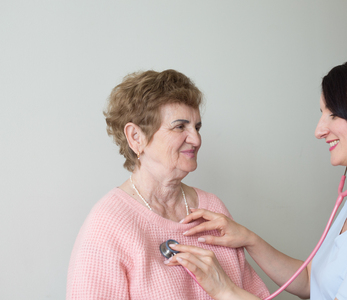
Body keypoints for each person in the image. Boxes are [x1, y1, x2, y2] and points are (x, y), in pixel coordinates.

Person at [166, 54, 347, 300]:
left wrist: (224, 290)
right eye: (321, 114)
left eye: (333, 114)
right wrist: (248, 239)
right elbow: (312, 281)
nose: (319, 130)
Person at [66, 69, 270, 299]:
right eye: (180, 127)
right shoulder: (108, 224)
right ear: (136, 137)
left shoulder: (212, 208)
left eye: (197, 127)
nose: (196, 139)